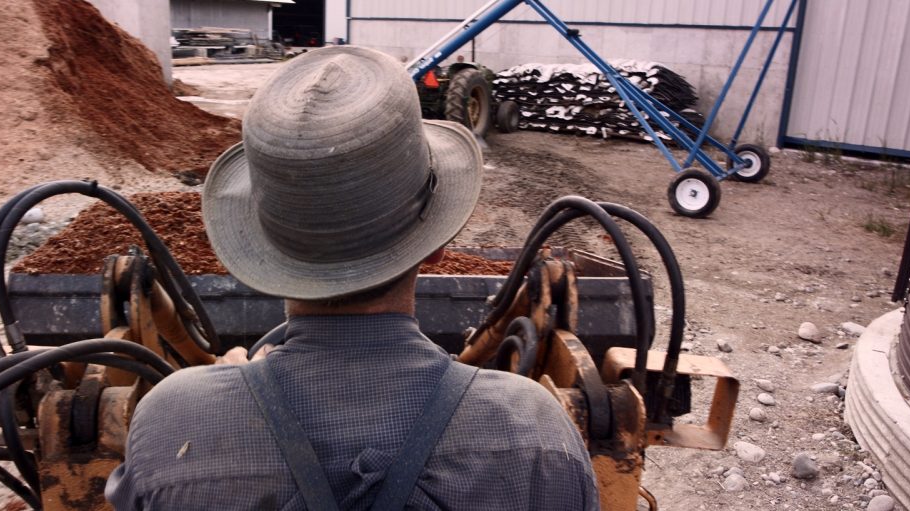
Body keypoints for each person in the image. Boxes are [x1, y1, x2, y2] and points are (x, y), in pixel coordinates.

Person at [106, 45, 599, 510]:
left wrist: (220, 390)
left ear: (259, 251)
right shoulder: (539, 435)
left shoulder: (172, 423)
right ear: (437, 245)